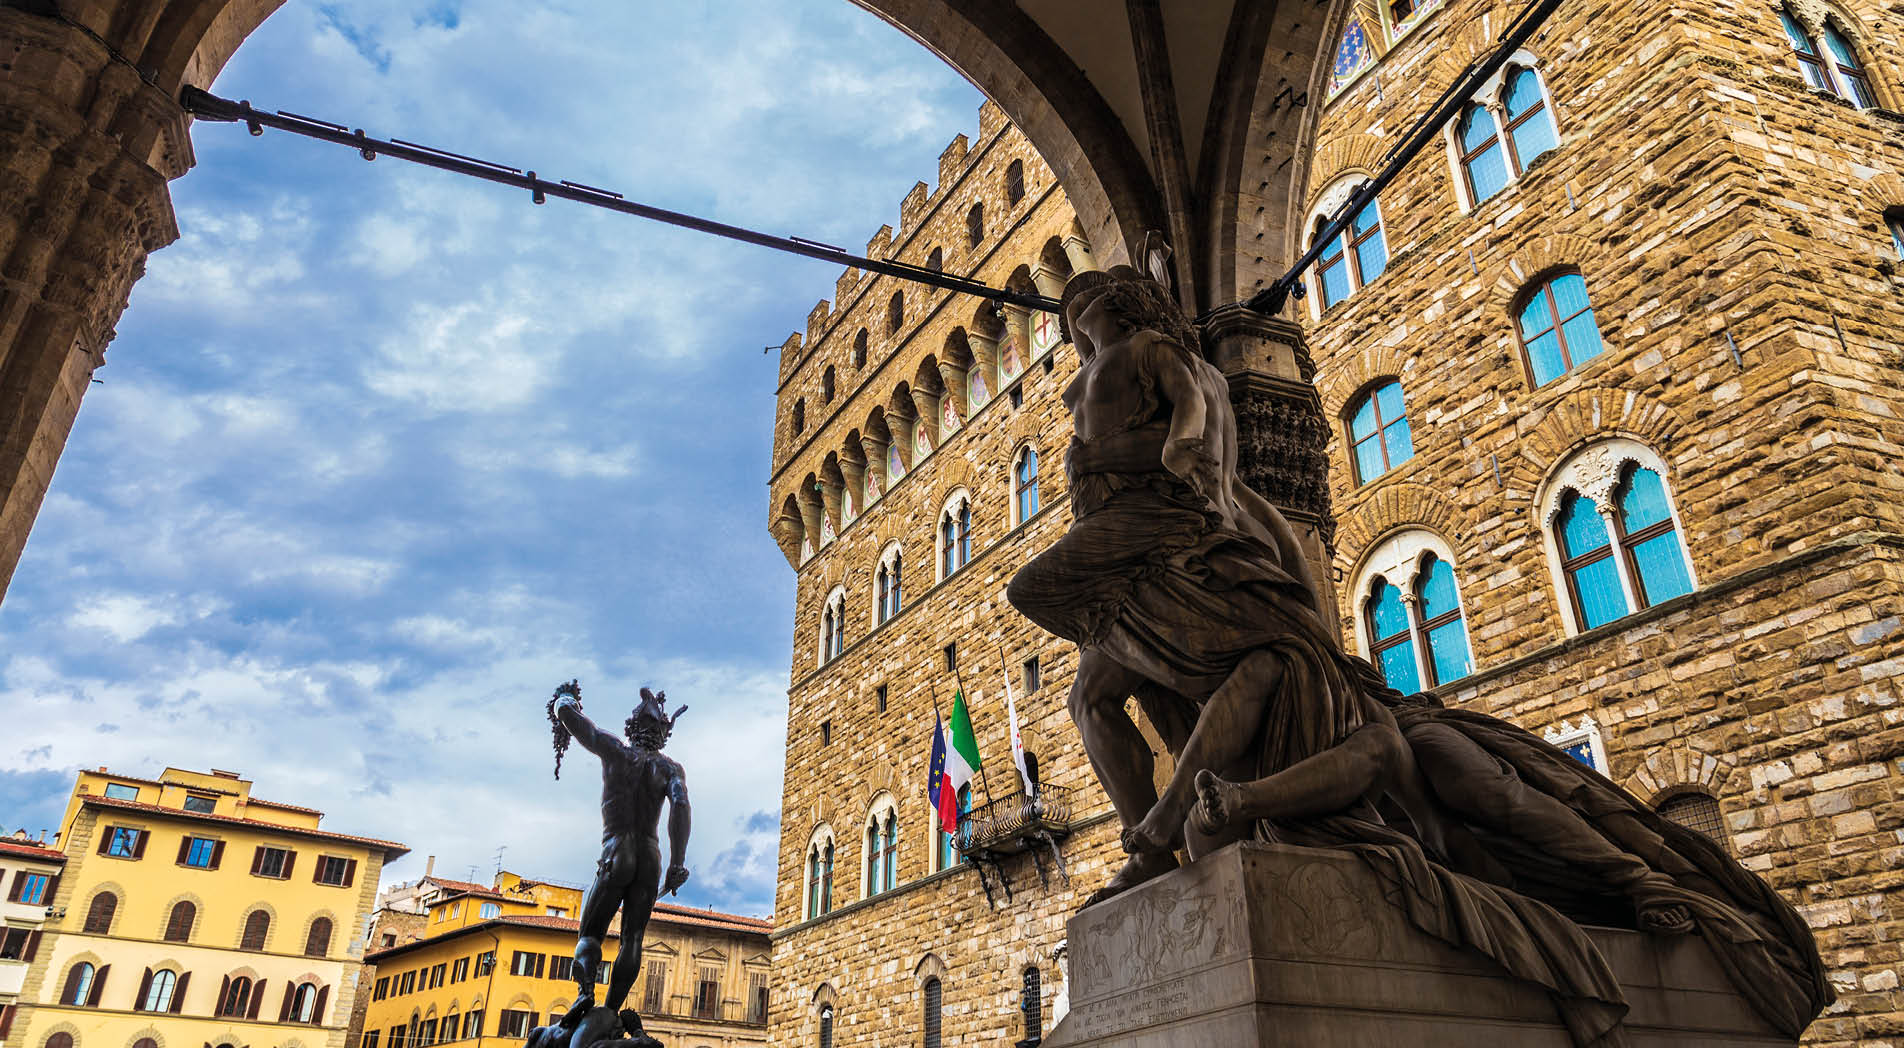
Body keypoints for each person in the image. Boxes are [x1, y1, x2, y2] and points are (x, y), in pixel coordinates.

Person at [1006, 266, 1429, 902]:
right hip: (1137, 550)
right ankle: (1149, 852)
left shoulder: (1152, 351)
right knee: (1087, 700)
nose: (1075, 324)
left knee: (1032, 588)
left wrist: (1103, 456)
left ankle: (1186, 687)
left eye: (1084, 309)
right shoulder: (1119, 364)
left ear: (1120, 303)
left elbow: (1189, 424)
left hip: (1154, 536)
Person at [552, 687, 691, 1017]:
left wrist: (565, 700)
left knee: (590, 934)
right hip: (650, 857)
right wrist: (677, 863)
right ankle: (610, 1011)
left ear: (632, 727)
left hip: (617, 850)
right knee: (633, 939)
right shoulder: (671, 769)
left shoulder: (615, 751)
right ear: (663, 736)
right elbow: (681, 805)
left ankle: (586, 993)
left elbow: (573, 719)